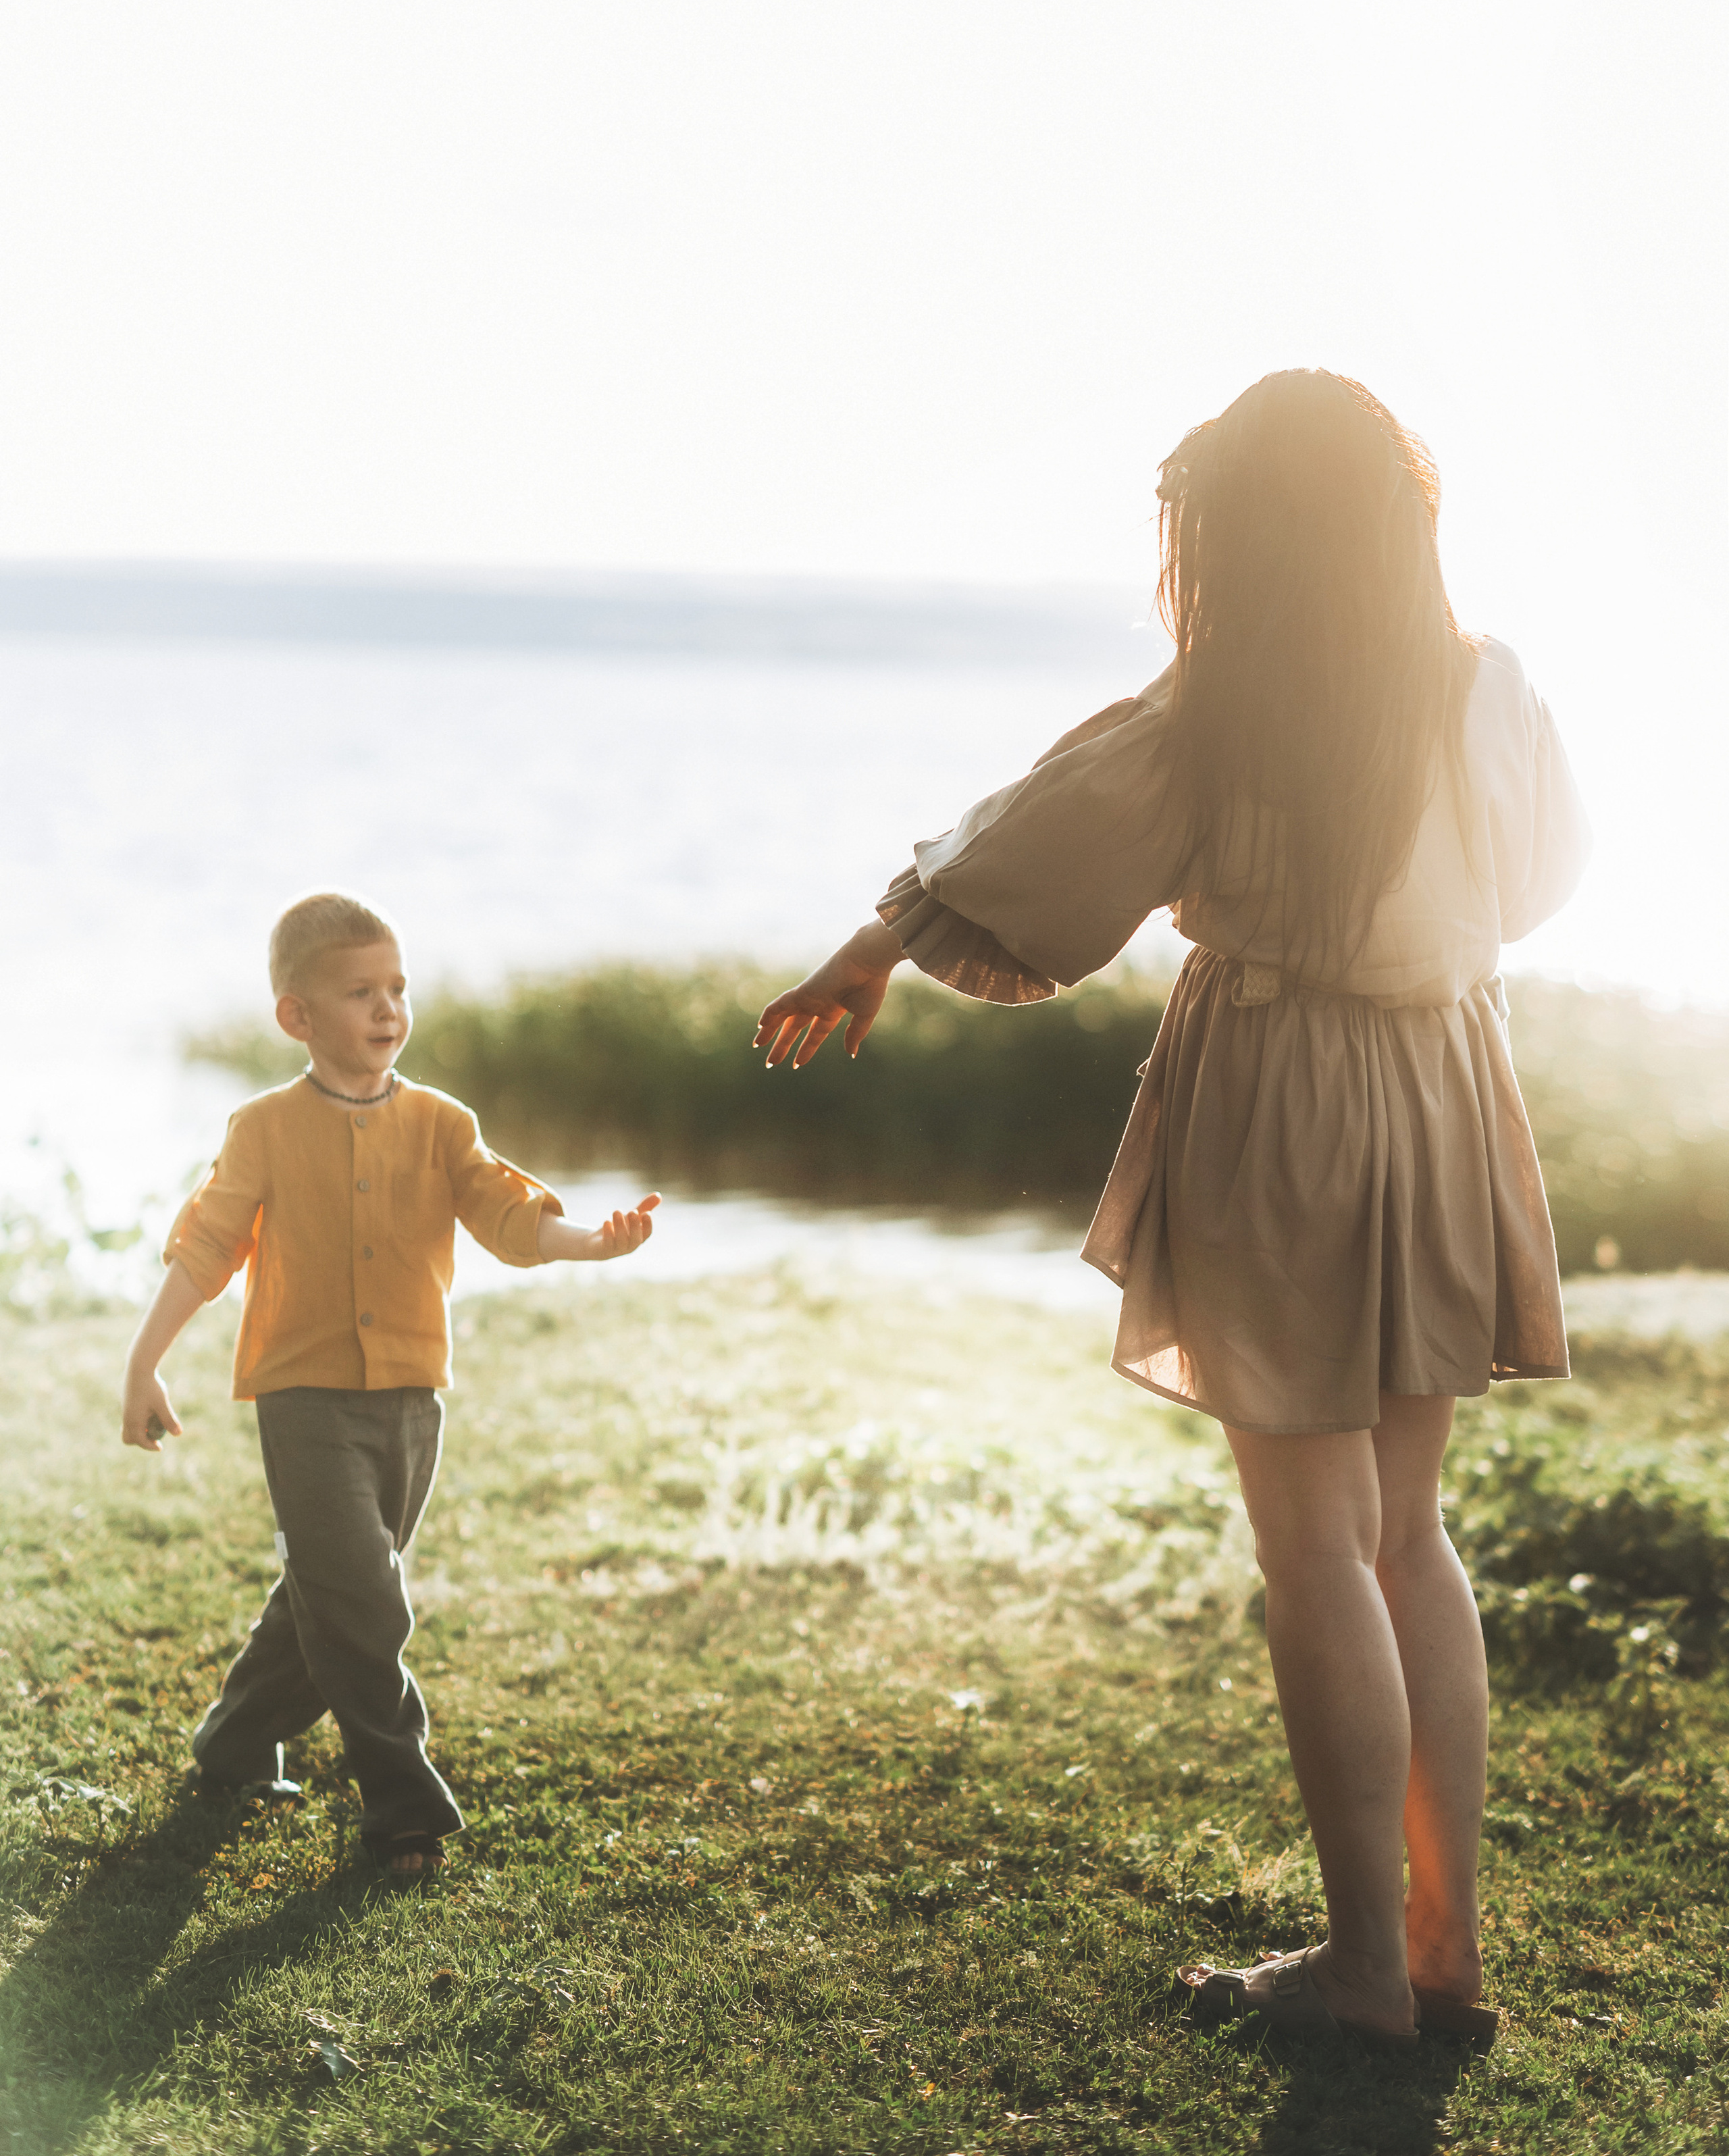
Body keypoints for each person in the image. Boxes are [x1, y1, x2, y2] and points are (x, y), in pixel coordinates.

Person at [754, 369, 1588, 2048]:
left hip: (1280, 1088)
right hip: (1440, 1080)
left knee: (1311, 1549)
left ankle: (1360, 1975)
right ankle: (1438, 1954)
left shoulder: (1216, 707)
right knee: (1404, 1530)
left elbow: (1039, 851)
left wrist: (878, 938)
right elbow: (1539, 875)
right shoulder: (1480, 684)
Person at [120, 890, 660, 1882]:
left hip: (414, 1401)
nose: (387, 1009)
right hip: (302, 1399)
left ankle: (234, 1745)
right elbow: (206, 1251)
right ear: (298, 1016)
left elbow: (506, 1211)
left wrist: (590, 1241)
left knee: (325, 1597)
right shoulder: (263, 1127)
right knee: (366, 1603)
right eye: (360, 992)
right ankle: (405, 1811)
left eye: (398, 989)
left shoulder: (444, 1124)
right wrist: (143, 1363)